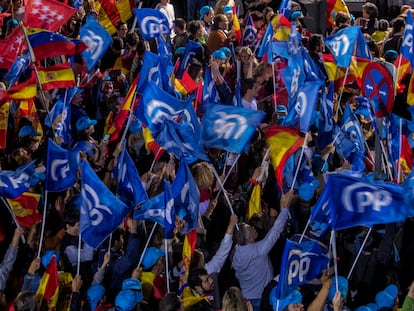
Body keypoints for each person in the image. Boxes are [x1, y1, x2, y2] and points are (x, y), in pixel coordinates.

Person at [232, 190, 294, 311]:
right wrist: (285, 208)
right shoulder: (257, 250)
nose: (253, 228)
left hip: (246, 298)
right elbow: (275, 231)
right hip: (260, 298)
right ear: (248, 239)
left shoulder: (237, 251)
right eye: (250, 229)